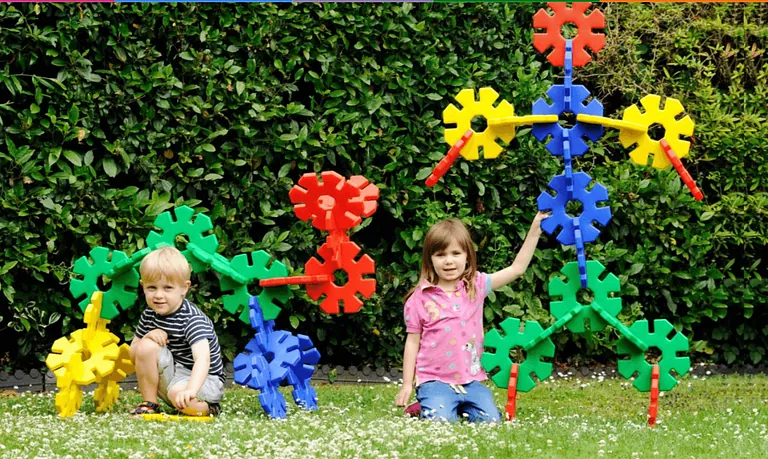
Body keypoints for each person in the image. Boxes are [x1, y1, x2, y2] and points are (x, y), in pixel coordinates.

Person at [394, 212, 549, 422]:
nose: (449, 261)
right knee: (440, 422)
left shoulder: (475, 286)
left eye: (456, 253)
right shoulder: (420, 298)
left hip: (471, 381)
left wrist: (535, 230)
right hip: (434, 381)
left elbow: (517, 269)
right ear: (430, 259)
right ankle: (426, 404)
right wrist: (406, 384)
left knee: (491, 421)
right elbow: (412, 342)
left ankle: (449, 405)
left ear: (467, 256)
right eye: (440, 255)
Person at [128, 246, 225, 417]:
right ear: (143, 286)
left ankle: (209, 407)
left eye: (167, 288)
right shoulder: (149, 314)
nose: (158, 295)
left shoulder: (192, 319)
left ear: (184, 288)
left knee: (178, 395)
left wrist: (190, 390)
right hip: (176, 374)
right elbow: (133, 354)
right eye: (152, 288)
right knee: (146, 346)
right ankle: (150, 403)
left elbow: (203, 360)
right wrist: (148, 336)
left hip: (205, 379)